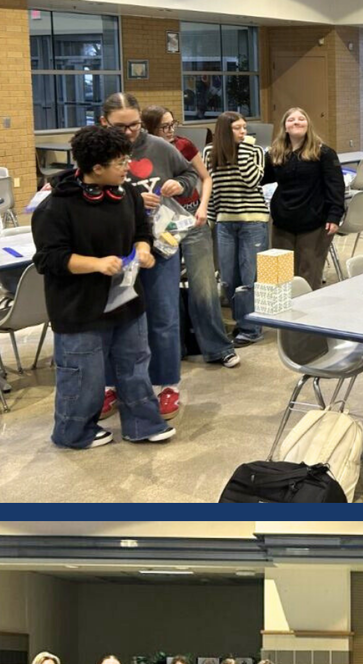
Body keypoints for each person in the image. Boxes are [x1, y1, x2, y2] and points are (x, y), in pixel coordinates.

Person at [31, 126, 173, 448]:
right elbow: (49, 259)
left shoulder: (129, 195)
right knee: (84, 377)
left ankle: (143, 423)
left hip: (127, 301)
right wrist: (95, 263)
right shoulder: (55, 207)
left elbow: (142, 230)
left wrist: (144, 249)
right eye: (120, 162)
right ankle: (73, 432)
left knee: (136, 367)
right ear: (96, 168)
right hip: (79, 307)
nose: (128, 167)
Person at [100, 93, 199, 422]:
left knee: (163, 317)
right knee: (115, 317)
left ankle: (167, 384)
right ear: (104, 123)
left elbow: (190, 177)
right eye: (121, 126)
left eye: (135, 125)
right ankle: (111, 386)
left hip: (160, 247)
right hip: (116, 248)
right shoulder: (98, 150)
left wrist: (176, 184)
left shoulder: (159, 147)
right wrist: (129, 200)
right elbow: (86, 191)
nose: (130, 132)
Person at [141, 105, 240, 369]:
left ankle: (218, 347)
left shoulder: (183, 145)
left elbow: (204, 178)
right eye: (165, 126)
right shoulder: (144, 152)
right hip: (163, 228)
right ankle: (174, 349)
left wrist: (204, 208)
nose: (171, 130)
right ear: (150, 128)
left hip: (193, 220)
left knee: (204, 286)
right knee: (166, 290)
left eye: (173, 124)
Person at [261, 106, 345, 291]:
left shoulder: (324, 153)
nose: (296, 122)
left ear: (308, 124)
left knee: (308, 273)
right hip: (283, 221)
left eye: (301, 119)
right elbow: (261, 178)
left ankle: (308, 315)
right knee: (280, 274)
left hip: (315, 221)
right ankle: (282, 316)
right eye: (291, 120)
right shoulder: (275, 153)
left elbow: (336, 186)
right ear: (285, 126)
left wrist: (334, 215)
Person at [204, 112, 269, 345]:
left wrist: (241, 149)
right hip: (224, 222)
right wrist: (210, 220)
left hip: (253, 220)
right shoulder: (209, 152)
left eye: (245, 127)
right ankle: (241, 321)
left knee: (248, 277)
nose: (244, 132)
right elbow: (210, 189)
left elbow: (253, 181)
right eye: (238, 128)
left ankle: (251, 328)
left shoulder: (255, 151)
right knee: (229, 278)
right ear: (224, 130)